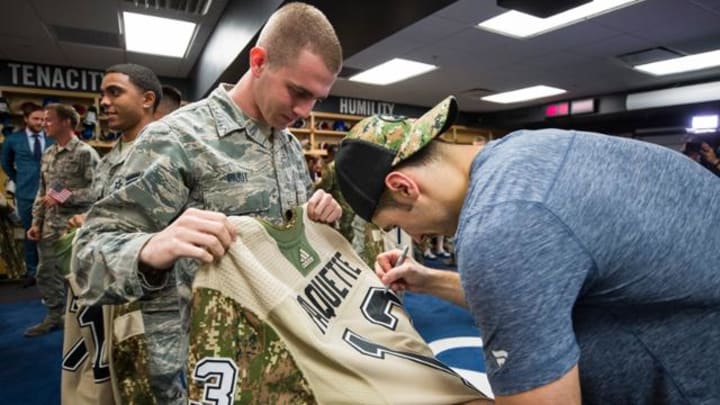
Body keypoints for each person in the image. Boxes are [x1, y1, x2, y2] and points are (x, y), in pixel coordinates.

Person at [334, 96, 720, 404]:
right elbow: (534, 297)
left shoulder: (499, 223)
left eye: (398, 226)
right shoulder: (525, 151)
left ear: (404, 187)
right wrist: (428, 281)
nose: (416, 240)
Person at [72, 3, 343, 403]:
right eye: (298, 92)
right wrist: (150, 248)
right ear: (258, 61)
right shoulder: (176, 139)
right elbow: (88, 259)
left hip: (270, 361)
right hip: (190, 372)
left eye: (316, 99)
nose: (305, 112)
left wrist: (316, 219)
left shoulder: (286, 146)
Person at [62, 63, 169, 405]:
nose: (103, 102)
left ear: (147, 99)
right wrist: (87, 220)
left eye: (115, 92)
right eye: (102, 93)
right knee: (108, 378)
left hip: (151, 294)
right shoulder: (111, 159)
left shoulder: (170, 151)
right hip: (108, 283)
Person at [25, 103, 99, 337]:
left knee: (80, 277)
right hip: (49, 226)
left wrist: (62, 197)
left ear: (65, 122)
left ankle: (87, 321)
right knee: (46, 274)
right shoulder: (48, 153)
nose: (44, 124)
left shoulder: (85, 153)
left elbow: (99, 191)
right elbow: (42, 191)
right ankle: (55, 317)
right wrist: (35, 222)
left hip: (75, 229)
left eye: (49, 120)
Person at [1, 103, 54, 287]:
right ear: (26, 119)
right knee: (30, 234)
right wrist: (19, 180)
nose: (40, 122)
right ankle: (32, 272)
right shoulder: (13, 140)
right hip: (25, 195)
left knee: (50, 233)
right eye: (36, 119)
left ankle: (51, 272)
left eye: (43, 119)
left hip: (50, 195)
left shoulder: (52, 139)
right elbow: (6, 163)